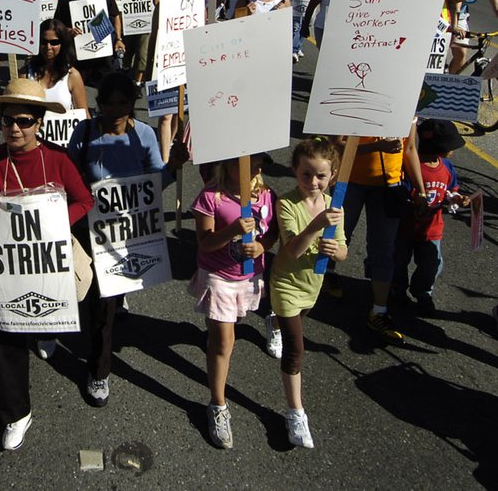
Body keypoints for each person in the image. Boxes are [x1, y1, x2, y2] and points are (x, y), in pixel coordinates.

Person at [0, 78, 94, 452]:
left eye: (23, 121)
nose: (14, 128)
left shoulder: (58, 160)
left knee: (53, 310)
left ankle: (48, 331)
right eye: (7, 121)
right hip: (7, 267)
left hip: (48, 260)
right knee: (6, 334)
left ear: (39, 123)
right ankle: (15, 412)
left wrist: (53, 227)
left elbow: (84, 201)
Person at [67, 72, 181, 408]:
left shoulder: (143, 135)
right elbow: (70, 175)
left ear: (132, 103)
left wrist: (172, 168)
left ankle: (101, 364)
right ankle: (84, 357)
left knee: (107, 304)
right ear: (98, 103)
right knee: (91, 298)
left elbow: (155, 181)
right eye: (108, 103)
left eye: (123, 103)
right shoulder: (84, 132)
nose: (115, 110)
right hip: (91, 230)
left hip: (128, 233)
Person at [189, 152, 277, 449]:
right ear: (226, 163)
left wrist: (263, 246)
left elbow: (273, 232)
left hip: (249, 278)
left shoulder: (266, 195)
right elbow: (204, 242)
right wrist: (233, 231)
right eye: (244, 163)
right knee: (224, 342)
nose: (253, 169)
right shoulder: (210, 197)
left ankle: (215, 337)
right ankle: (217, 405)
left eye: (257, 163)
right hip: (219, 277)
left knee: (228, 331)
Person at [271, 138, 347, 449]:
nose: (313, 182)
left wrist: (337, 252)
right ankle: (295, 413)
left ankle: (273, 323)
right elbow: (292, 250)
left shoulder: (334, 206)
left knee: (297, 320)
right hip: (286, 284)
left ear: (332, 175)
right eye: (306, 175)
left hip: (311, 286)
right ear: (294, 171)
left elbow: (342, 249)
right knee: (296, 351)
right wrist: (317, 225)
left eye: (320, 176)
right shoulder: (287, 203)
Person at [334, 122, 425, 344]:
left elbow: (410, 148)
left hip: (389, 186)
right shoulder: (358, 95)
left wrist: (420, 190)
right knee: (338, 234)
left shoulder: (408, 108)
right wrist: (378, 148)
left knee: (383, 248)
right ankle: (324, 275)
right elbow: (338, 145)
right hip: (350, 181)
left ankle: (379, 310)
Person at [392, 120, 470, 316]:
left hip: (432, 229)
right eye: (450, 147)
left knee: (432, 264)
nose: (452, 151)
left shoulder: (447, 167)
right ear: (438, 147)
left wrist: (457, 198)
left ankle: (422, 292)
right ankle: (396, 290)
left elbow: (451, 190)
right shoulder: (411, 166)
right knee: (398, 261)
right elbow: (401, 192)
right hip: (404, 227)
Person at [54, 0, 125, 86]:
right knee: (80, 90)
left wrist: (119, 39)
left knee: (108, 88)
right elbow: (57, 25)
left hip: (104, 53)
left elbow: (115, 15)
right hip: (80, 55)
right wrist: (68, 31)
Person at [26, 19, 89, 115]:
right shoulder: (26, 73)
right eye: (43, 42)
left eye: (54, 42)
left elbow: (84, 115)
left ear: (62, 44)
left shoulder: (72, 75)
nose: (48, 47)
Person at [113, 0, 159, 84]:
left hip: (145, 23)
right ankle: (127, 76)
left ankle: (138, 83)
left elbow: (156, 1)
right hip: (129, 24)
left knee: (142, 54)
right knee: (128, 53)